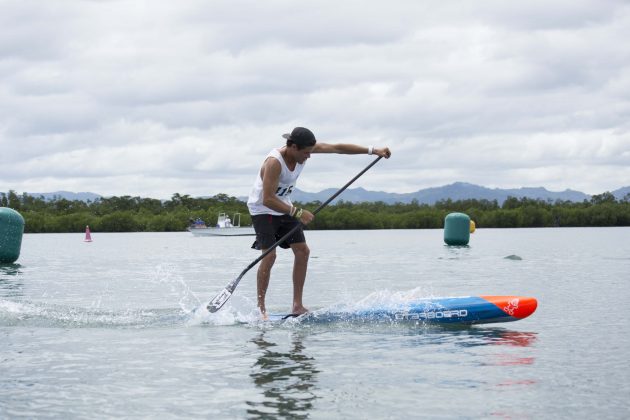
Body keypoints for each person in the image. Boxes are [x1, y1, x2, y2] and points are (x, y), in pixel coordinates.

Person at [246, 127, 391, 318]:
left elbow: (338, 148)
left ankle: (297, 305)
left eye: (310, 151)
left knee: (303, 251)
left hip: (285, 207)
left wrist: (373, 150)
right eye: (306, 153)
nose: (309, 156)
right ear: (293, 147)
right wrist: (297, 212)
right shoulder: (274, 162)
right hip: (263, 210)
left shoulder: (304, 150)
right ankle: (260, 310)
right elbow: (268, 199)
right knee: (270, 256)